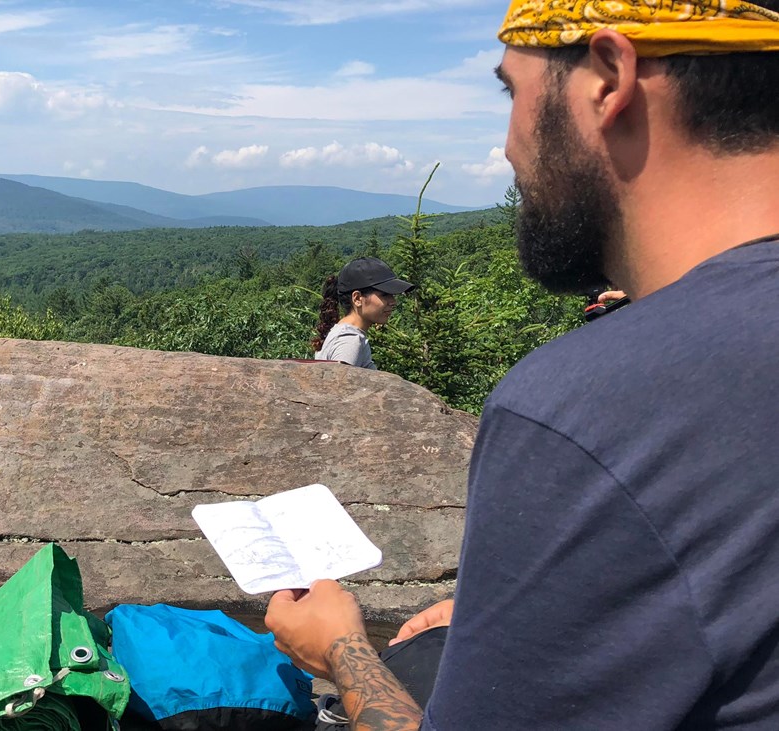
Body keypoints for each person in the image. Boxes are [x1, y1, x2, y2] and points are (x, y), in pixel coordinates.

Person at [267, 1, 779, 729]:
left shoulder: (588, 409)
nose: (507, 146)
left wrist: (344, 648)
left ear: (608, 79)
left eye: (512, 92)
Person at [311, 257, 414, 368]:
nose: (393, 301)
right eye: (385, 295)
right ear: (357, 298)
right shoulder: (350, 341)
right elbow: (339, 384)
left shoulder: (343, 333)